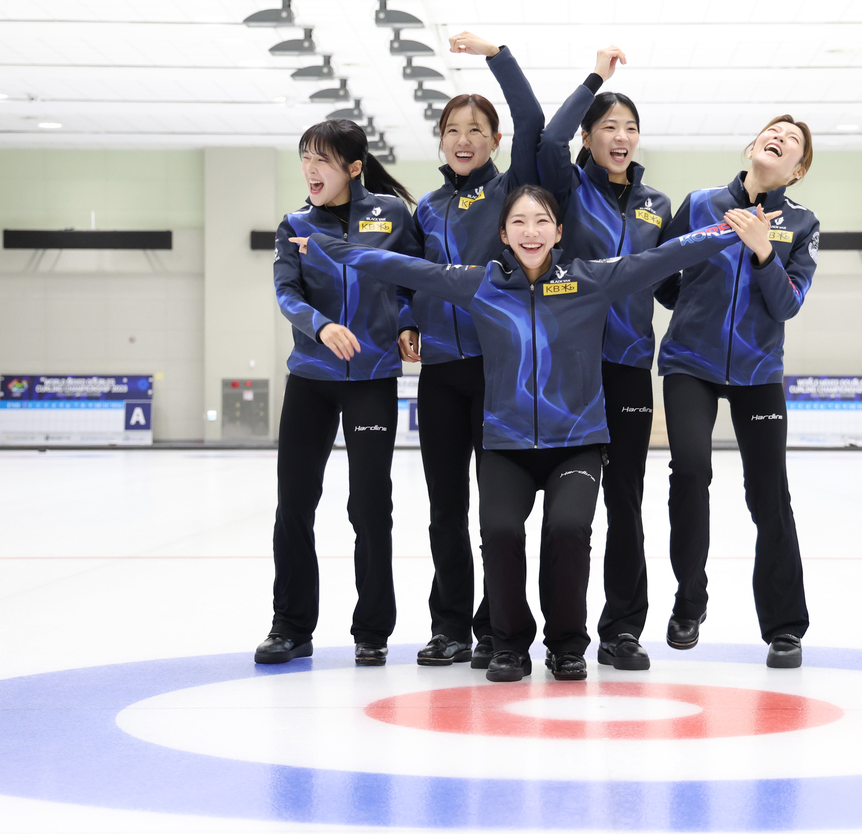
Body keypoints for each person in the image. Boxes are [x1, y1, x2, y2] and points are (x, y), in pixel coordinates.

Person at [289, 186, 776, 681]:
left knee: (568, 529)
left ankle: (566, 644)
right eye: (518, 223)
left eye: (541, 221)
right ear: (503, 235)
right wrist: (327, 245)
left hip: (577, 444)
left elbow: (666, 255)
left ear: (559, 232)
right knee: (500, 531)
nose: (531, 232)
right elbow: (399, 266)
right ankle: (509, 644)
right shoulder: (481, 284)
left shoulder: (590, 279)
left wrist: (731, 229)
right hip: (507, 445)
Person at [400, 32, 544, 670]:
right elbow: (408, 275)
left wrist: (496, 56)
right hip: (440, 374)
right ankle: (450, 625)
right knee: (445, 507)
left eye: (476, 130)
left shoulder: (512, 192)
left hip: (498, 372)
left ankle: (497, 626)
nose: (463, 140)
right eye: (453, 130)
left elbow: (534, 120)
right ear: (441, 140)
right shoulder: (426, 209)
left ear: (495, 139)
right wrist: (407, 318)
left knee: (497, 510)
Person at [654, 115, 820, 669]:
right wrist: (694, 306)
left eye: (792, 141)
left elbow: (788, 304)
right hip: (690, 364)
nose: (779, 138)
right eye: (773, 131)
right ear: (753, 145)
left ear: (797, 170)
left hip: (758, 371)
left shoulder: (802, 224)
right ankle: (689, 602)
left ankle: (785, 627)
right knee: (689, 472)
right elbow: (662, 276)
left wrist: (764, 252)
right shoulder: (701, 203)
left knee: (769, 495)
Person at [253, 119, 420, 667]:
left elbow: (412, 280)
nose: (310, 169)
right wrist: (320, 325)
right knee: (294, 504)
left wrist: (407, 321)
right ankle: (290, 626)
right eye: (305, 157)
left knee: (370, 506)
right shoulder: (295, 225)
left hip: (372, 379)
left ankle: (372, 630)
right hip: (311, 379)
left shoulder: (392, 215)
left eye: (322, 159)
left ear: (353, 167)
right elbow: (286, 291)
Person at [536, 47, 669, 671]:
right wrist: (595, 79)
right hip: (573, 367)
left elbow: (669, 283)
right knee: (569, 507)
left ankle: (622, 629)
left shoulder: (656, 205)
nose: (621, 137)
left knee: (626, 500)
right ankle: (562, 633)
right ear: (588, 137)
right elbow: (549, 137)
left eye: (630, 127)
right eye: (608, 127)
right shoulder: (566, 188)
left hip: (630, 366)